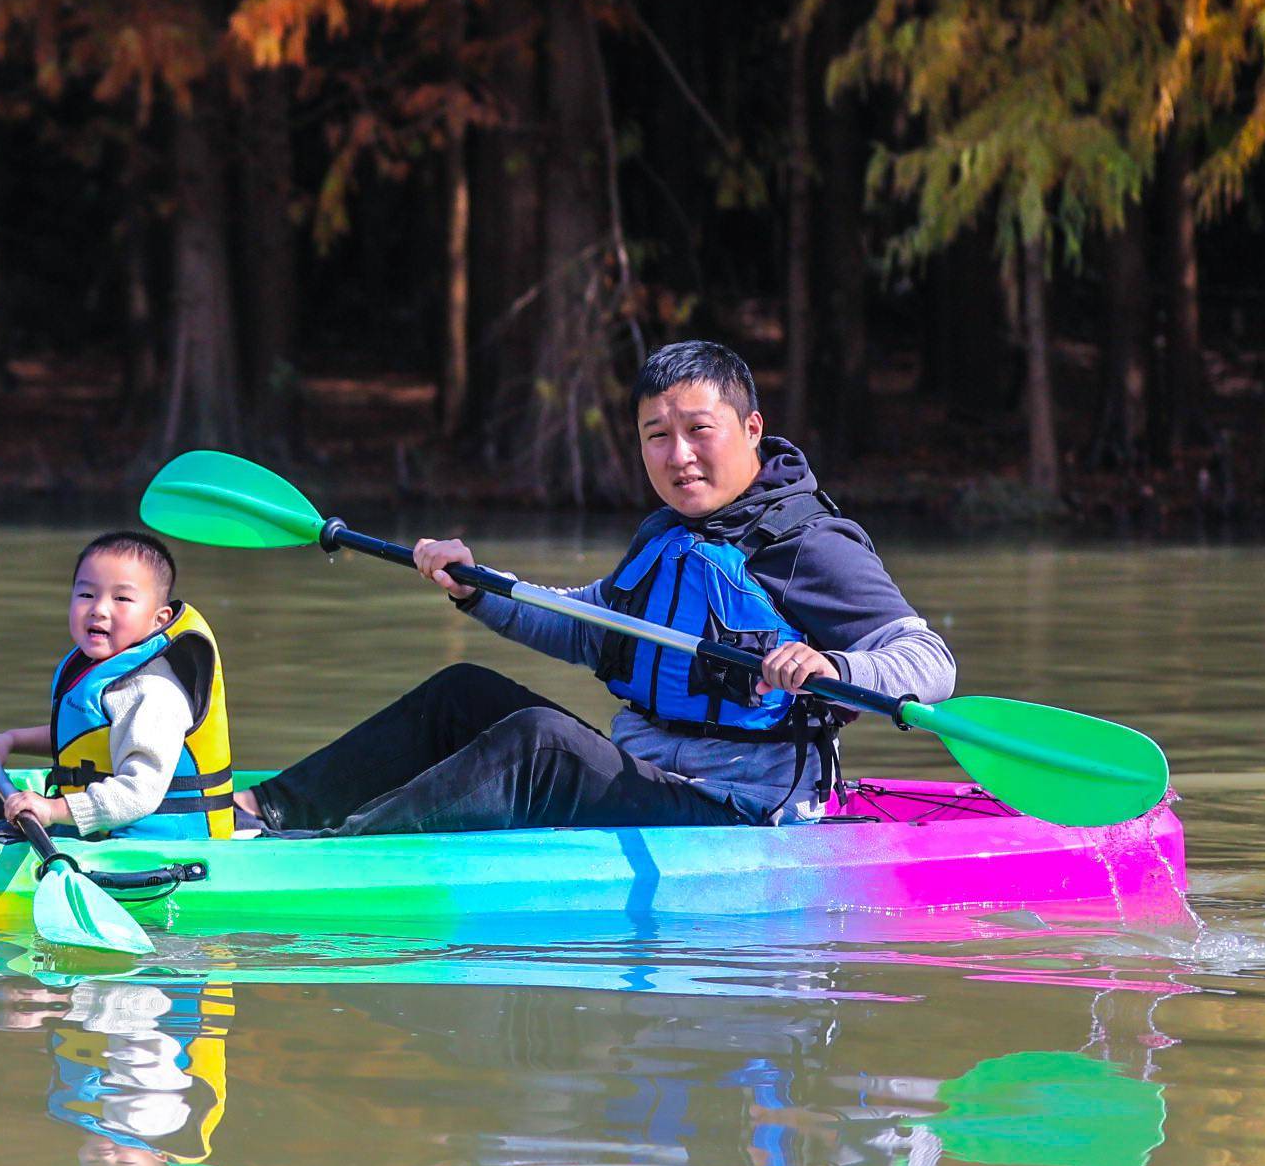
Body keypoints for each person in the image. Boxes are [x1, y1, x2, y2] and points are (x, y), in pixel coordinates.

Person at [238, 339, 951, 835]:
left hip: (739, 808)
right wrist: (478, 588)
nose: (679, 456)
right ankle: (261, 814)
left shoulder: (810, 545)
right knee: (462, 693)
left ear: (751, 427)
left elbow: (927, 659)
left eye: (699, 430)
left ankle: (337, 856)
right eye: (656, 437)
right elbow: (590, 626)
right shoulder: (669, 532)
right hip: (648, 774)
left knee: (540, 744)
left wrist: (836, 668)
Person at [0, 530, 237, 842]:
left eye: (122, 598)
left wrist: (54, 810)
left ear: (159, 620)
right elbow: (87, 737)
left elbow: (139, 792)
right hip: (100, 831)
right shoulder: (98, 668)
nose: (99, 609)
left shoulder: (153, 691)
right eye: (86, 595)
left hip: (157, 848)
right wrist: (9, 740)